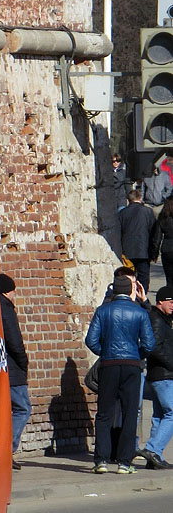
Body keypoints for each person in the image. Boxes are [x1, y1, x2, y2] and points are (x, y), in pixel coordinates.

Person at [85, 274, 155, 474]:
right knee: (130, 413)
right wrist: (136, 355)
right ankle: (125, 462)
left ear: (114, 290)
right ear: (129, 291)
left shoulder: (103, 310)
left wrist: (105, 352)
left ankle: (101, 460)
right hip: (132, 366)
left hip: (109, 364)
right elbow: (149, 344)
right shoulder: (140, 312)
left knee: (105, 413)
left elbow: (91, 340)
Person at [140, 285, 173, 469]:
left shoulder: (163, 318)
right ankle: (153, 449)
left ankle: (154, 458)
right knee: (172, 413)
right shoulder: (157, 320)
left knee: (159, 416)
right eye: (170, 301)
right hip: (163, 375)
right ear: (160, 301)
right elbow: (153, 347)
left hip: (159, 375)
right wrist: (171, 364)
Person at [0, 274, 28, 470]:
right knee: (22, 408)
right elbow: (14, 340)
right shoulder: (6, 309)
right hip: (12, 368)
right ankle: (7, 451)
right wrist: (23, 361)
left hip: (0, 366)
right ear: (7, 291)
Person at [119, 188, 159, 291]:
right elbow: (154, 233)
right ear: (140, 198)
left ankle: (129, 296)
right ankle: (142, 298)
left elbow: (118, 232)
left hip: (126, 251)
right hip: (143, 250)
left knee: (127, 277)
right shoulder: (148, 212)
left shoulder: (122, 213)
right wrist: (154, 251)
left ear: (128, 200)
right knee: (143, 278)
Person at [157, 199, 173, 287]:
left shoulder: (163, 218)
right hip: (167, 247)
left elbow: (157, 237)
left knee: (169, 278)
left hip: (167, 249)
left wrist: (154, 252)